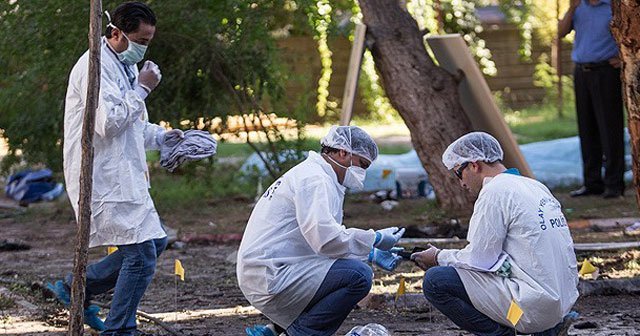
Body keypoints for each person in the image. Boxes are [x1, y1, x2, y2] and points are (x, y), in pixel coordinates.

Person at [48, 2, 182, 335]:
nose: (143, 48)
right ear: (115, 33)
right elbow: (108, 124)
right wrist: (143, 89)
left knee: (157, 242)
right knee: (141, 257)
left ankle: (78, 288)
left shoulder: (126, 66)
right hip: (101, 178)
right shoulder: (94, 66)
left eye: (148, 41)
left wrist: (165, 137)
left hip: (127, 177)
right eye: (140, 39)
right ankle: (120, 329)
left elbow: (134, 125)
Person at [237, 126, 405, 336]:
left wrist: (369, 253)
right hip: (271, 274)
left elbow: (322, 242)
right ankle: (300, 333)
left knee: (347, 271)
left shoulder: (319, 175)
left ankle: (275, 329)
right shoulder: (315, 180)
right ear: (343, 152)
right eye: (362, 165)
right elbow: (325, 240)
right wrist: (374, 239)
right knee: (358, 276)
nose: (362, 173)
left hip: (273, 267)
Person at [412, 132, 579, 336]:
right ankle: (547, 330)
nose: (461, 184)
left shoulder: (494, 192)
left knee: (436, 281)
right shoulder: (535, 186)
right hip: (562, 303)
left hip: (532, 308)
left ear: (474, 165)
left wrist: (438, 257)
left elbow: (479, 259)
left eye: (458, 173)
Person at [559, 0, 625, 199]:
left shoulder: (614, 7)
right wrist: (571, 8)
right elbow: (560, 32)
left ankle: (614, 184)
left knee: (610, 128)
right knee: (586, 129)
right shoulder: (578, 7)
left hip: (606, 71)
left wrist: (623, 57)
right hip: (582, 72)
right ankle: (592, 182)